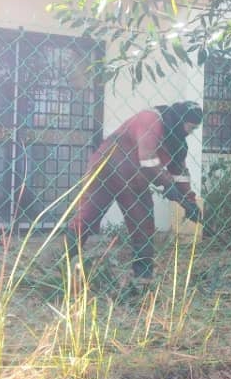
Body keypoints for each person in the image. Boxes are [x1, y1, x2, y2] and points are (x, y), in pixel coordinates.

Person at [66, 101, 204, 280]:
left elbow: (179, 174)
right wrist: (167, 183)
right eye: (190, 127)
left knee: (143, 225)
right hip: (106, 170)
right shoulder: (151, 119)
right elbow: (147, 158)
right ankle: (62, 263)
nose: (189, 133)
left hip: (134, 180)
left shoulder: (178, 143)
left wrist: (189, 202)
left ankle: (142, 279)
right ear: (181, 120)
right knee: (86, 218)